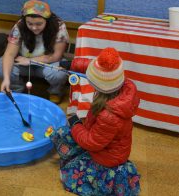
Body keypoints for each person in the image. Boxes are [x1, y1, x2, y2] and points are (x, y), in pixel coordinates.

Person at [49, 47, 141, 195]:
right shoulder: (119, 82)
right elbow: (92, 66)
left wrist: (76, 124)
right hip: (103, 142)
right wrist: (71, 64)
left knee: (69, 170)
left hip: (106, 159)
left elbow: (92, 143)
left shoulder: (109, 116)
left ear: (99, 86)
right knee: (69, 133)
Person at [0, 0, 69, 104]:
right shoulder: (19, 26)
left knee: (59, 73)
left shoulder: (59, 27)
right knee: (1, 65)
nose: (34, 28)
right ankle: (16, 90)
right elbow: (9, 54)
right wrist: (6, 79)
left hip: (47, 63)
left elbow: (56, 56)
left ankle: (55, 92)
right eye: (29, 23)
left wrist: (30, 60)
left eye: (39, 24)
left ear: (47, 20)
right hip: (23, 63)